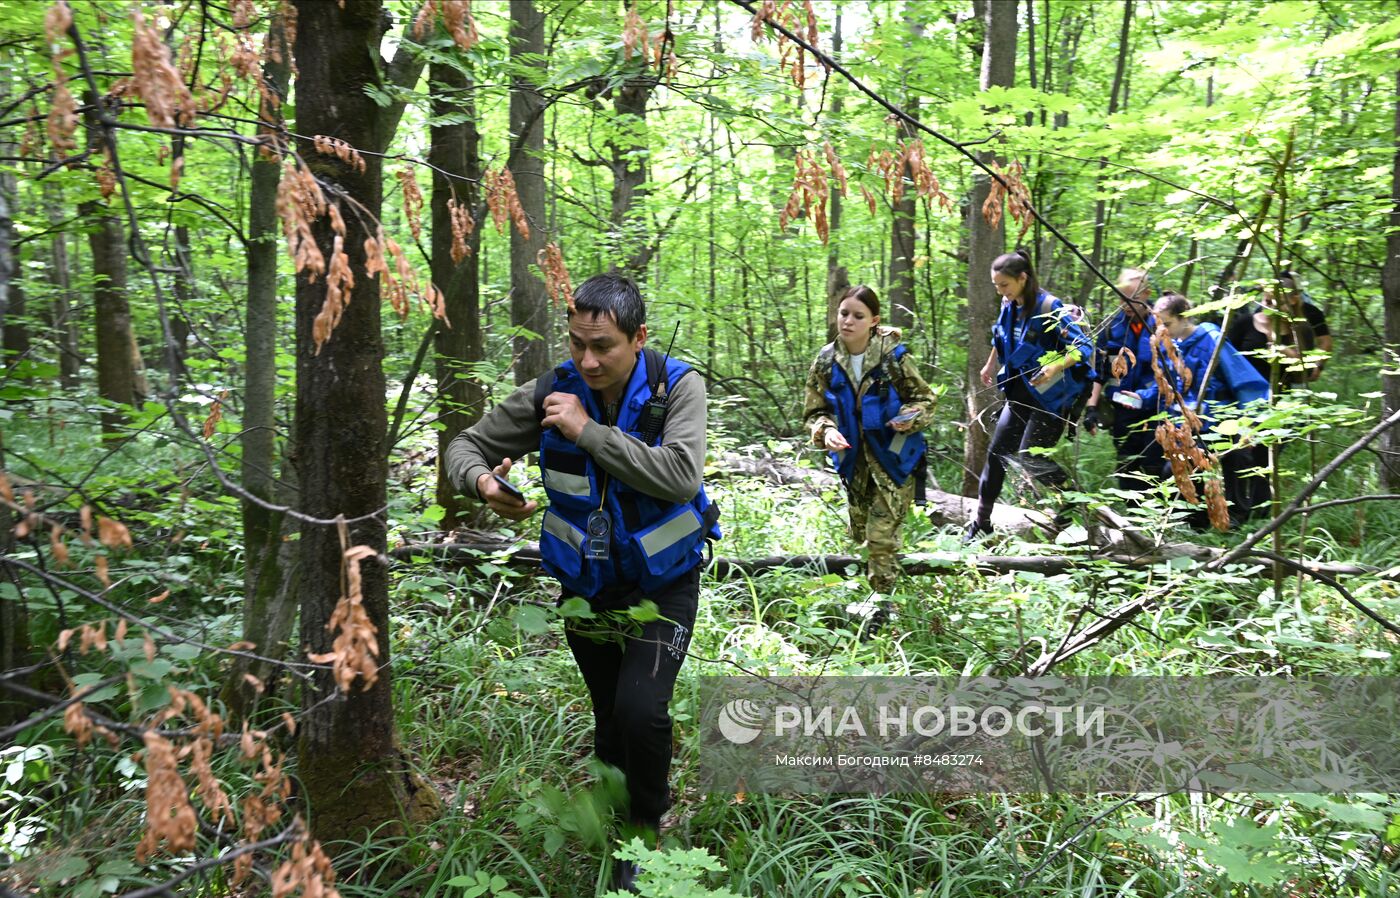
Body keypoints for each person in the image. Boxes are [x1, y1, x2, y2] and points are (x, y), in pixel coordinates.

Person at [444, 273, 719, 892]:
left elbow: (679, 475)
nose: (588, 360)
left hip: (665, 579)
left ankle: (646, 828)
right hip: (584, 584)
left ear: (637, 337)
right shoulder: (553, 390)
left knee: (641, 710)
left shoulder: (679, 386)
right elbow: (466, 445)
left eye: (604, 347)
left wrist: (586, 432)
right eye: (576, 345)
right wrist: (484, 483)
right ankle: (619, 816)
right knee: (608, 712)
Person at [803, 285, 937, 619]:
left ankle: (881, 610)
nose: (847, 321)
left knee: (880, 536)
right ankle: (883, 593)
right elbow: (814, 411)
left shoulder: (893, 356)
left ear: (874, 320)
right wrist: (826, 430)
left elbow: (924, 398)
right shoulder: (826, 361)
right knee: (863, 535)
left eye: (857, 316)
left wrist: (909, 417)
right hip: (854, 463)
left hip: (893, 458)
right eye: (843, 313)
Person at [967, 250, 1094, 540]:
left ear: (1023, 278)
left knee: (1029, 457)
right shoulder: (1008, 304)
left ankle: (1074, 504)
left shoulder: (1051, 307)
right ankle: (980, 525)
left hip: (1052, 399)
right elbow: (1002, 335)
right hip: (1020, 393)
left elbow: (1083, 347)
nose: (1000, 291)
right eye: (996, 285)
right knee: (996, 456)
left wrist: (1055, 366)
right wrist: (990, 363)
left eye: (1004, 285)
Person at [1152, 292, 1271, 524]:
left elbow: (1244, 379)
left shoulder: (1212, 338)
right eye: (1159, 324)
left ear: (1184, 317)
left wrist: (1252, 422)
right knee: (1176, 470)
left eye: (1167, 324)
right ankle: (1195, 522)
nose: (1163, 330)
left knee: (1234, 468)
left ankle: (1237, 525)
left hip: (1224, 420)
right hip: (1192, 423)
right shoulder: (1175, 345)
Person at [1081, 267, 1165, 494]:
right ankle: (1132, 516)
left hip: (1157, 407)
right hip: (1123, 407)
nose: (1126, 303)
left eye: (1133, 298)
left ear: (1146, 294)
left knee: (1153, 461)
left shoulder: (1162, 324)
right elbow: (1098, 372)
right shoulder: (1111, 327)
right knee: (1127, 462)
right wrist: (1091, 408)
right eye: (1122, 297)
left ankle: (1157, 516)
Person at [1224, 273, 1319, 388]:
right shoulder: (1245, 322)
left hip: (1281, 399)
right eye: (1268, 302)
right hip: (1243, 395)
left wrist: (1288, 354)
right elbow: (1226, 358)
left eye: (1280, 303)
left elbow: (1307, 375)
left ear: (1293, 300)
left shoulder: (1302, 329)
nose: (1272, 308)